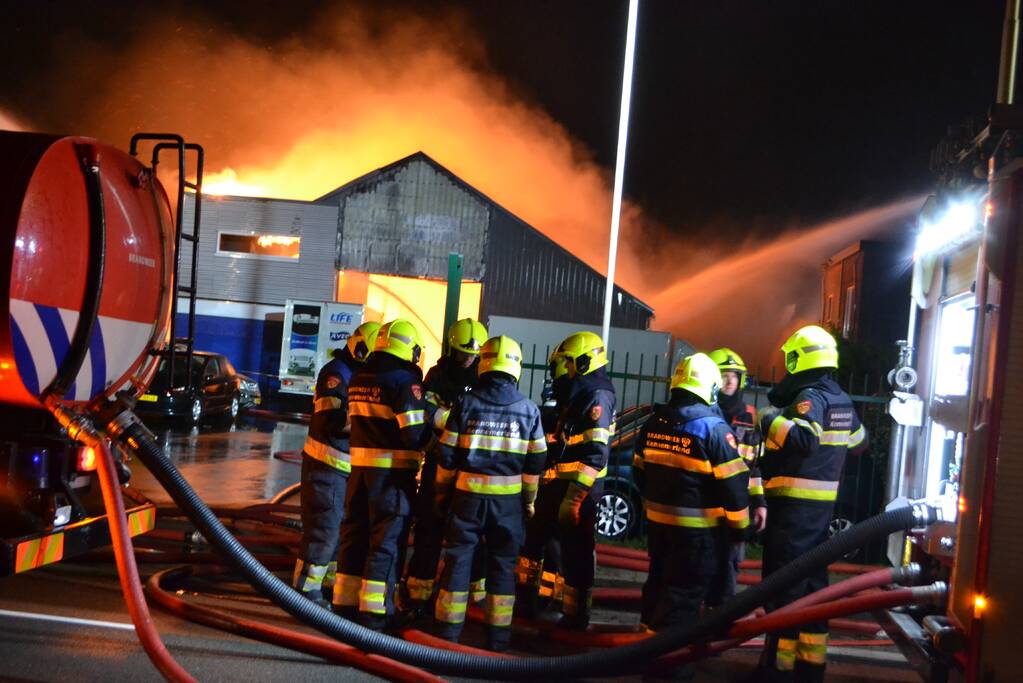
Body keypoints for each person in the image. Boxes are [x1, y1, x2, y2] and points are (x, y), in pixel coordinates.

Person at [756, 325, 867, 683]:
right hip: (820, 512)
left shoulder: (810, 396)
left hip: (793, 512)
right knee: (814, 587)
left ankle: (779, 670)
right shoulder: (842, 399)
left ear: (801, 357)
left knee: (783, 588)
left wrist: (770, 420)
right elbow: (859, 442)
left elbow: (803, 440)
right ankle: (810, 666)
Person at [431, 335, 547, 651]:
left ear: (484, 363)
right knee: (502, 568)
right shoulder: (529, 410)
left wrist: (442, 496)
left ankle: (447, 637)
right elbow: (536, 461)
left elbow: (447, 456)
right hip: (508, 506)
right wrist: (529, 501)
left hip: (466, 499)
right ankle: (497, 641)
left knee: (458, 562)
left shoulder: (465, 404)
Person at [633, 353, 750, 655]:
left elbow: (639, 472)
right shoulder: (713, 429)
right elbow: (734, 488)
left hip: (659, 528)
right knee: (684, 597)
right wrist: (738, 529)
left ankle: (643, 650)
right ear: (710, 388)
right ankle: (670, 664)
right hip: (697, 536)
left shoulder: (653, 423)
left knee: (657, 585)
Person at [332, 319, 432, 630]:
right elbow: (414, 435)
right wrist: (438, 432)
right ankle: (377, 613)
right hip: (392, 478)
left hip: (359, 473)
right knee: (385, 543)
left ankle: (344, 605)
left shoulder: (361, 375)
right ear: (409, 348)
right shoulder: (404, 381)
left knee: (354, 537)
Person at [515, 331, 615, 630]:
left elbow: (596, 454)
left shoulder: (598, 397)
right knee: (537, 542)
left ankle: (575, 617)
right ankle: (530, 601)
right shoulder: (579, 395)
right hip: (559, 486)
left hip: (579, 492)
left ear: (584, 362)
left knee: (577, 553)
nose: (563, 370)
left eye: (568, 364)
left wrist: (575, 497)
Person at [293, 321, 380, 607]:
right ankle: (305, 593)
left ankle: (325, 586)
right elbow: (330, 421)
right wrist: (370, 422)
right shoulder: (336, 373)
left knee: (337, 531)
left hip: (341, 470)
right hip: (326, 466)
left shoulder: (357, 372)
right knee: (324, 530)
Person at [406, 318, 489, 609]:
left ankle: (475, 596)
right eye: (463, 353)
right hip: (440, 461)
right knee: (430, 525)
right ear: (452, 349)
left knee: (472, 532)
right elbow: (426, 409)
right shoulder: (438, 375)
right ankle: (419, 590)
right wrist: (456, 423)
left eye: (473, 355)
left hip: (472, 466)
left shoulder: (485, 375)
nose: (468, 359)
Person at [704, 347, 767, 608]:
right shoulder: (704, 411)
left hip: (737, 506)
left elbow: (754, 466)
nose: (730, 381)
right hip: (706, 504)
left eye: (734, 375)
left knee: (730, 567)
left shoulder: (750, 416)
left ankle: (718, 624)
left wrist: (760, 502)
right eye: (724, 374)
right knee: (702, 564)